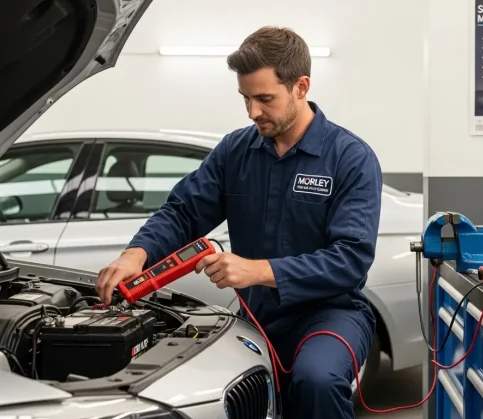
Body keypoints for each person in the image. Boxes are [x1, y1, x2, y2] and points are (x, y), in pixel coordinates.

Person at [94, 26, 382, 419]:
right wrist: (136, 254)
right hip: (258, 315)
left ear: (301, 86)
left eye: (265, 99)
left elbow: (350, 260)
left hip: (331, 313)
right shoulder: (236, 151)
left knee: (316, 379)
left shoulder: (350, 159)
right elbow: (184, 211)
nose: (252, 112)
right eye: (245, 99)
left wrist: (258, 270)